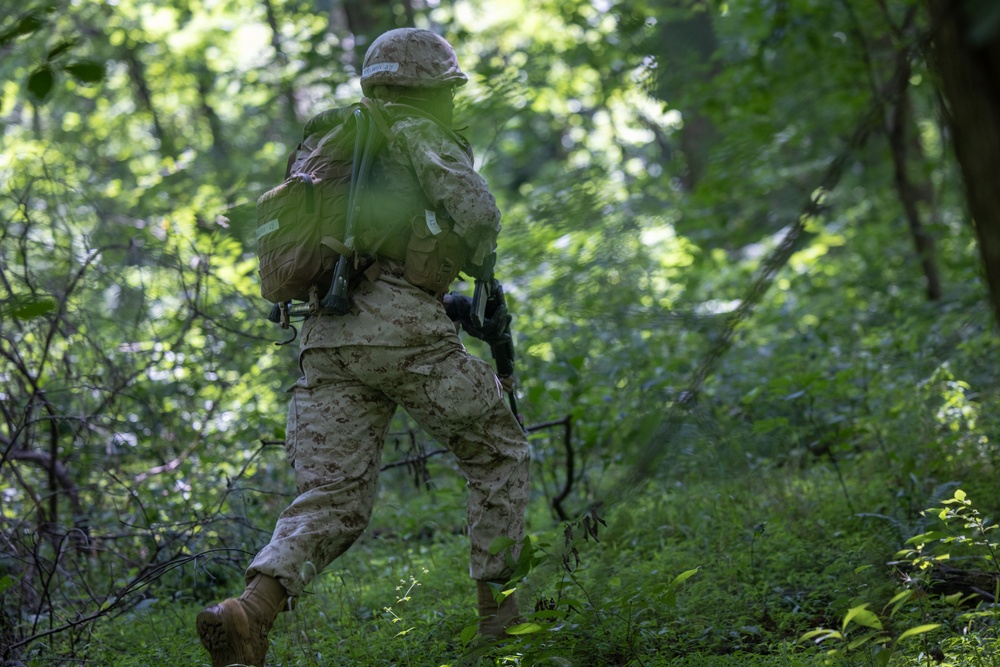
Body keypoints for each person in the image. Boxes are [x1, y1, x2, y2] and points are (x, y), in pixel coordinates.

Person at [196, 27, 530, 667]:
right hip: (401, 333)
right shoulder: (418, 130)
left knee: (333, 499)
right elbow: (478, 211)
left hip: (325, 338)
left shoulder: (326, 142)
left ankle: (248, 612)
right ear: (434, 90)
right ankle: (503, 623)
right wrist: (469, 268)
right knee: (499, 453)